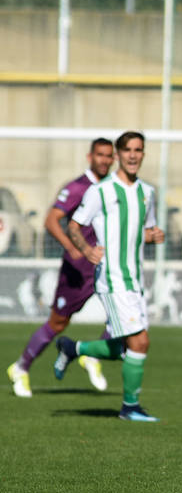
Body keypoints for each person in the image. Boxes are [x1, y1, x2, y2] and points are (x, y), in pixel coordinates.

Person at [52, 131, 166, 422]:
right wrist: (87, 250)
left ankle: (73, 348)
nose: (132, 155)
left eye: (138, 150)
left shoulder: (147, 193)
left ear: (143, 154)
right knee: (140, 342)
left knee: (124, 348)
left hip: (135, 280)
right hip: (112, 279)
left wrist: (153, 236)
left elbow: (142, 232)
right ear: (118, 154)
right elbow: (74, 225)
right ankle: (129, 408)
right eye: (127, 149)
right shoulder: (100, 191)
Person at [7, 138, 115, 398]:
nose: (105, 160)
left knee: (124, 315)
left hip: (106, 265)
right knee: (58, 323)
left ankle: (92, 356)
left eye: (109, 156)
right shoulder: (78, 187)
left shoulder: (112, 188)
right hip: (78, 269)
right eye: (100, 155)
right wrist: (71, 246)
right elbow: (51, 219)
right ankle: (21, 367)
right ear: (90, 157)